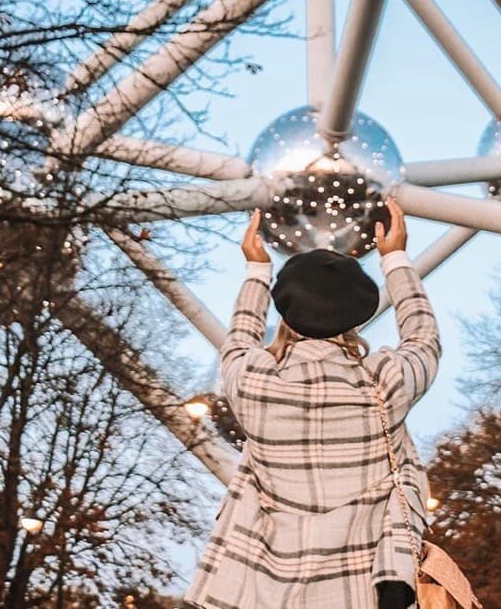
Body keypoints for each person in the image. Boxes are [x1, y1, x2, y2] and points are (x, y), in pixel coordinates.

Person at [185, 198, 440, 609]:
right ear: (355, 319)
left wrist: (256, 272)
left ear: (285, 316)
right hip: (363, 591)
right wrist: (396, 260)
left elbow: (238, 340)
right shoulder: (385, 382)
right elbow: (423, 336)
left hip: (269, 590)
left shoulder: (254, 383)